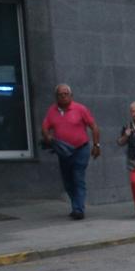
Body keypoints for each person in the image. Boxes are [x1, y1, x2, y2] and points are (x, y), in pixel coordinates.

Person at [39, 84, 101, 220]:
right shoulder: (52, 111)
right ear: (56, 97)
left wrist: (96, 145)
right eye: (60, 94)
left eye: (66, 94)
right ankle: (75, 206)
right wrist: (47, 136)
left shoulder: (80, 109)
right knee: (68, 181)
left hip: (81, 148)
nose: (63, 96)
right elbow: (45, 126)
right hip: (63, 151)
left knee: (78, 178)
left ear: (71, 96)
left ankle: (79, 209)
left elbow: (94, 127)